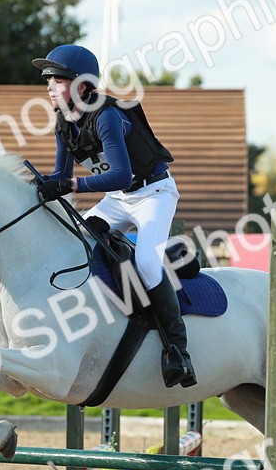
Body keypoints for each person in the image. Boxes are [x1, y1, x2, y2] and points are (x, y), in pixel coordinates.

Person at [32, 44, 195, 388]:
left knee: (148, 266)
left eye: (57, 79)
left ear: (81, 85)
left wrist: (72, 182)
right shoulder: (64, 121)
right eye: (47, 79)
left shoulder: (105, 115)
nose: (48, 86)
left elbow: (119, 174)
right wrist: (29, 181)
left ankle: (177, 350)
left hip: (153, 193)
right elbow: (59, 175)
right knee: (81, 240)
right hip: (118, 199)